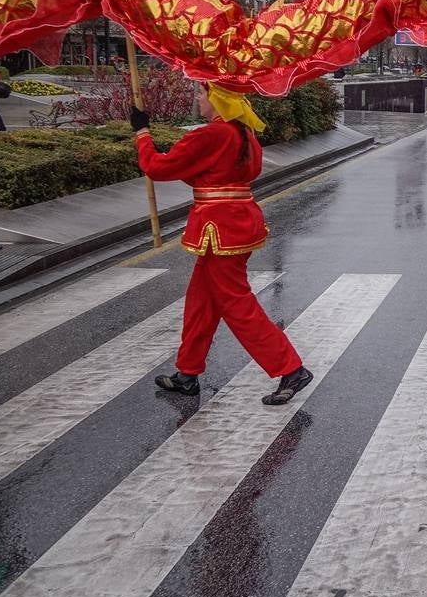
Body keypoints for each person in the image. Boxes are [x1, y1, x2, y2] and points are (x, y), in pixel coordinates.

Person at [133, 84, 312, 405]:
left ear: (217, 100)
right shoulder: (244, 134)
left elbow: (157, 167)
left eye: (202, 94)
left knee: (237, 304)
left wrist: (142, 133)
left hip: (218, 228)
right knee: (201, 300)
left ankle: (291, 369)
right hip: (238, 223)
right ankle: (187, 373)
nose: (198, 98)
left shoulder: (210, 135)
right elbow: (223, 172)